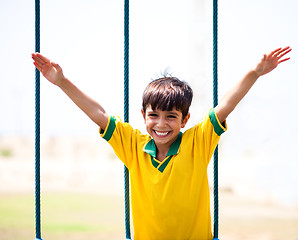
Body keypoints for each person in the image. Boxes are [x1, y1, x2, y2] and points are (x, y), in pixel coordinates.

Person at [32, 46, 291, 240]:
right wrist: (62, 82)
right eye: (153, 115)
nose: (161, 124)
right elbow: (99, 114)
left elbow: (225, 106)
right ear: (143, 115)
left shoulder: (197, 142)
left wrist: (254, 73)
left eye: (171, 117)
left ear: (185, 119)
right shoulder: (133, 146)